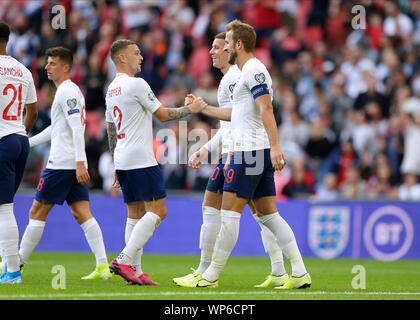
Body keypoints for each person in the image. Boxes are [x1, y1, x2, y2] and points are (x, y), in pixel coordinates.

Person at [183, 20, 311, 289]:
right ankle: (298, 273)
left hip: (249, 152)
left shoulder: (253, 70)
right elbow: (235, 114)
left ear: (238, 45)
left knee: (229, 215)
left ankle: (211, 275)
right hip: (252, 151)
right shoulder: (245, 72)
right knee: (268, 217)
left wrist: (276, 146)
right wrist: (203, 108)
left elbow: (267, 108)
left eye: (227, 42)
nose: (225, 46)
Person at [105, 39, 204, 285]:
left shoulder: (111, 89)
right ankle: (124, 259)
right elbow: (162, 114)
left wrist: (116, 161)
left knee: (135, 214)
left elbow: (110, 129)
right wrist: (191, 109)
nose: (141, 57)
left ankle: (135, 272)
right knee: (158, 211)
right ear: (121, 58)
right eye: (136, 53)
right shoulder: (136, 84)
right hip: (141, 157)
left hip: (123, 158)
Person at [18, 47, 112, 281]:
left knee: (36, 211)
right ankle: (102, 266)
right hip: (70, 162)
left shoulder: (67, 91)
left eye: (52, 63)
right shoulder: (67, 91)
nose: (47, 67)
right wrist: (27, 142)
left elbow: (77, 128)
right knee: (82, 213)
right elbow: (57, 128)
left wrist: (81, 163)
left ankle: (15, 265)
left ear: (65, 67)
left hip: (61, 163)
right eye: (47, 63)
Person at [0, 22, 38, 284]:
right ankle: (8, 266)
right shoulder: (22, 70)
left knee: (4, 209)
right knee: (4, 207)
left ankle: (12, 271)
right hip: (19, 140)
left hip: (2, 140)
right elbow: (33, 111)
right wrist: (18, 132)